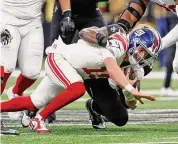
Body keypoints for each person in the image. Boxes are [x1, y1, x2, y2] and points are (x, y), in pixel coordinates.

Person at [0, 25, 158, 133]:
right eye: (143, 52)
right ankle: (39, 119)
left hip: (71, 69)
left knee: (35, 101)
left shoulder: (131, 65)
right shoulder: (120, 43)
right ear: (136, 42)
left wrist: (130, 92)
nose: (143, 58)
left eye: (147, 56)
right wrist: (129, 88)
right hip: (61, 59)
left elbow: (130, 103)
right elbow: (111, 67)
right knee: (77, 88)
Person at [1, 0, 44, 120]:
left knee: (32, 72)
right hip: (7, 18)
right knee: (6, 66)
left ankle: (15, 93)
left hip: (33, 22)